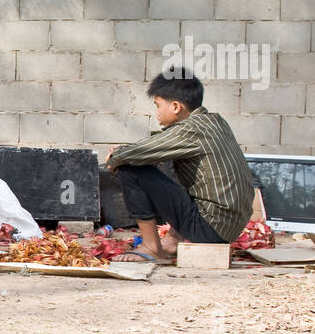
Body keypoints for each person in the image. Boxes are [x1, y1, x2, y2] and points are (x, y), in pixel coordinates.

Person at [105, 70, 253, 264]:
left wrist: (116, 156)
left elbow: (133, 154)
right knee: (175, 161)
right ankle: (174, 240)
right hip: (227, 226)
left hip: (209, 228)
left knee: (129, 167)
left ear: (175, 106)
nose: (157, 112)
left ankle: (151, 246)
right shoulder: (215, 121)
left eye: (158, 105)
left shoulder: (190, 129)